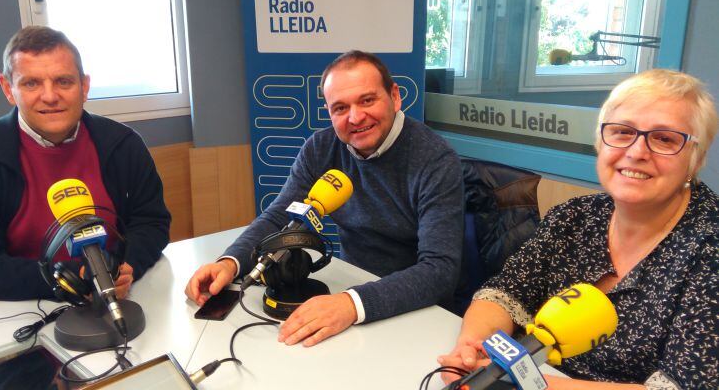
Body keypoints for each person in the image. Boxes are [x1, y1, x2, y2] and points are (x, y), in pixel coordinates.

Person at [438, 69, 719, 389]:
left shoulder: (709, 250)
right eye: (622, 132)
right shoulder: (576, 216)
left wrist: (523, 383)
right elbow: (503, 293)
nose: (638, 151)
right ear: (601, 141)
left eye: (665, 138)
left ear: (695, 160)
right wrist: (472, 349)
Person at [186, 50, 464, 347]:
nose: (355, 117)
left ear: (395, 97)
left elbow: (440, 270)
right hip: (351, 287)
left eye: (367, 100)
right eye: (340, 108)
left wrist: (351, 304)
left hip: (415, 310)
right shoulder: (321, 148)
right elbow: (281, 215)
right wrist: (230, 263)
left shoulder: (435, 159)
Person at [0, 26, 171, 301]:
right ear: (8, 89)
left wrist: (125, 267)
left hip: (115, 298)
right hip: (19, 310)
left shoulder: (123, 145)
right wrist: (65, 281)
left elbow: (152, 223)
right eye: (31, 83)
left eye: (63, 81)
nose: (50, 96)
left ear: (84, 86)